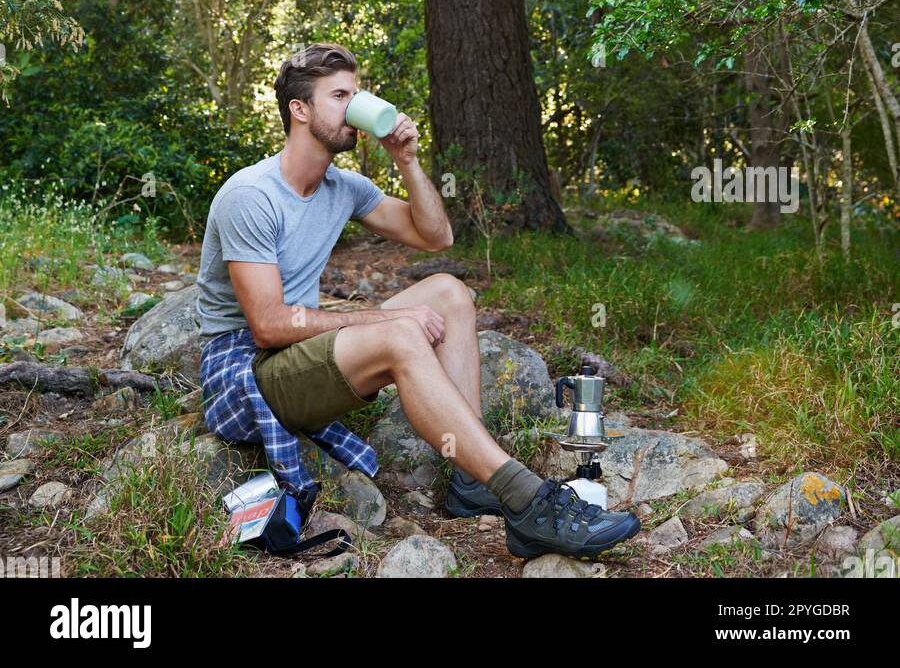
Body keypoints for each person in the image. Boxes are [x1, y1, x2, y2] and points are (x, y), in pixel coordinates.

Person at [196, 42, 640, 560]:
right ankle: (526, 501)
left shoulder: (343, 186)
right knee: (402, 330)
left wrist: (406, 160)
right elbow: (268, 326)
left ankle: (471, 482)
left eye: (355, 93)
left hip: (296, 356)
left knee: (449, 291)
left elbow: (436, 237)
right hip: (243, 371)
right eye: (339, 95)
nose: (354, 106)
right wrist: (389, 318)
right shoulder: (251, 196)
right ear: (300, 109)